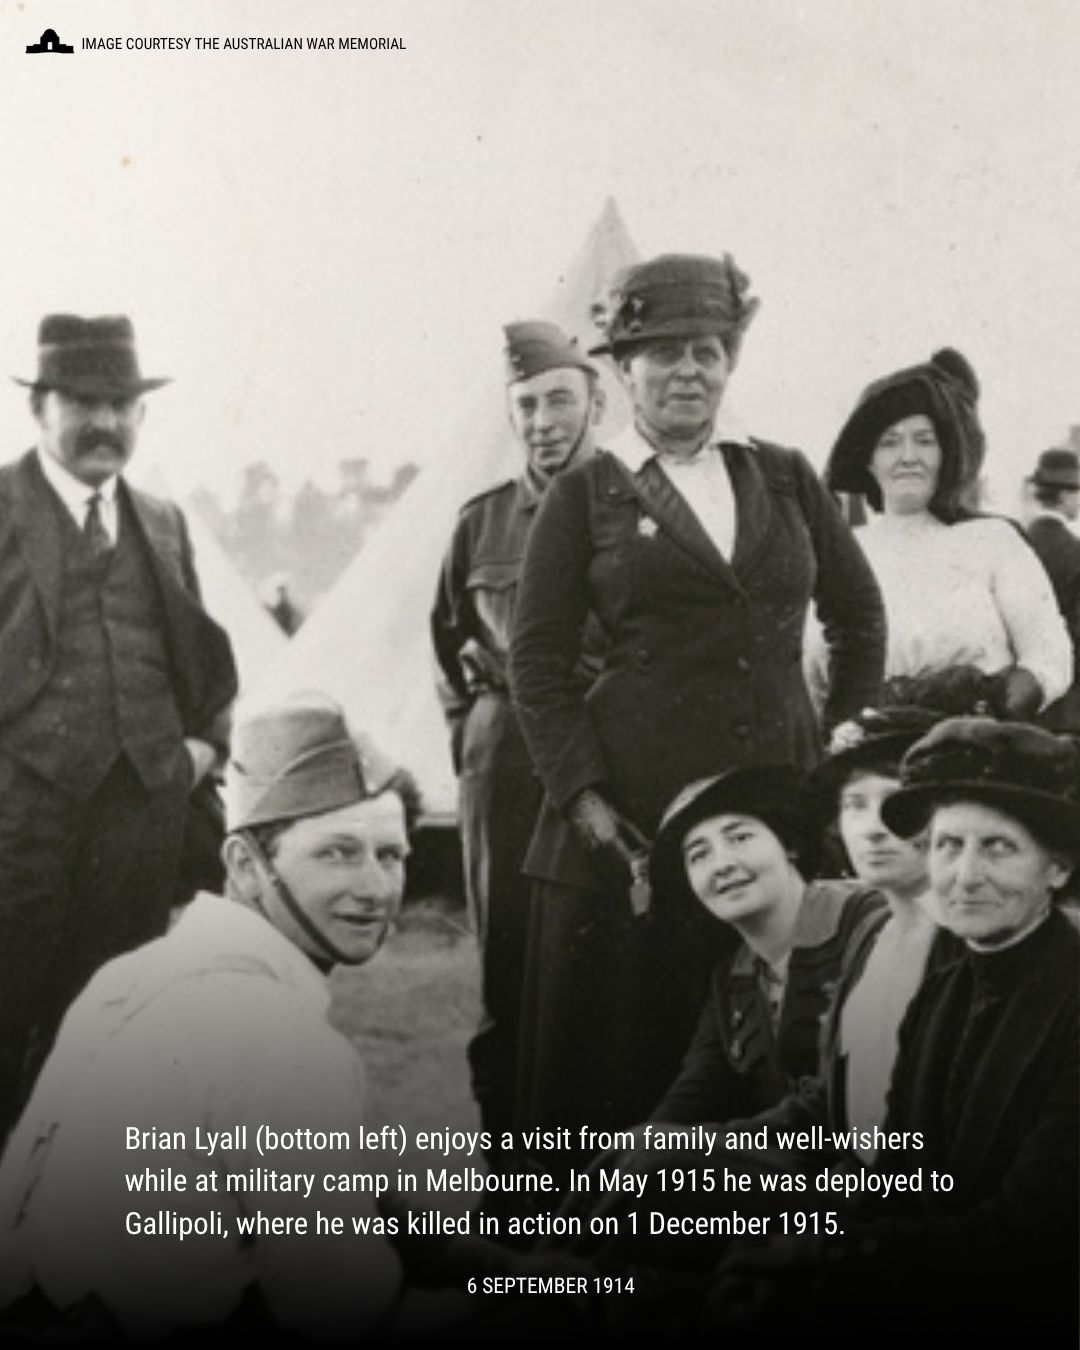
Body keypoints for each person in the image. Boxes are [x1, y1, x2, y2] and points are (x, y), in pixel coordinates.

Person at [0, 697, 593, 1341]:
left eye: (390, 855)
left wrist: (487, 1264)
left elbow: (345, 1195)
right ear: (245, 866)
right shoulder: (280, 1039)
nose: (375, 888)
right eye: (337, 853)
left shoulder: (133, 976)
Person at [509, 252, 885, 1143]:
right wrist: (590, 803)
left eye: (708, 350)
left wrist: (835, 746)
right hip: (634, 827)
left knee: (777, 1051)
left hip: (778, 808)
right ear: (624, 367)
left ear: (730, 362)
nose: (688, 369)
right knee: (629, 1063)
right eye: (664, 351)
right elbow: (538, 664)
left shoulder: (785, 475)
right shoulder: (584, 492)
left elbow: (860, 620)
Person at [714, 717, 1080, 1344]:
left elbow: (1026, 1238)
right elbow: (901, 1171)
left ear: (1057, 868)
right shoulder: (947, 979)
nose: (965, 876)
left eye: (998, 848)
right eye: (947, 845)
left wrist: (827, 1261)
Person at [0, 314, 238, 1142]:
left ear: (142, 415)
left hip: (140, 825)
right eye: (82, 401)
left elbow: (202, 661)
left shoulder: (164, 522)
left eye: (121, 403)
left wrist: (200, 752)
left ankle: (82, 1242)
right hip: (16, 825)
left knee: (111, 1036)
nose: (104, 421)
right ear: (40, 409)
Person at [431, 321, 605, 1147]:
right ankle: (509, 1200)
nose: (545, 421)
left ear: (596, 404)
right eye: (528, 405)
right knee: (506, 978)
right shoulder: (482, 523)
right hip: (503, 774)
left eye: (561, 400)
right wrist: (479, 742)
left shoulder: (634, 509)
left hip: (602, 767)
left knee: (595, 976)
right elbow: (445, 641)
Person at [818, 348, 1071, 718]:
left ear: (946, 453)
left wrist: (999, 703)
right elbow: (814, 680)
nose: (908, 456)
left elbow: (1049, 656)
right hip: (868, 755)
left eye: (924, 440)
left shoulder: (993, 541)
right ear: (868, 461)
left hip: (975, 749)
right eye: (889, 442)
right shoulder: (846, 555)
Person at [1023, 448, 1080, 729]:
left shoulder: (1015, 544)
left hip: (1017, 698)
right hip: (1067, 706)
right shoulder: (1075, 553)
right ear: (1065, 496)